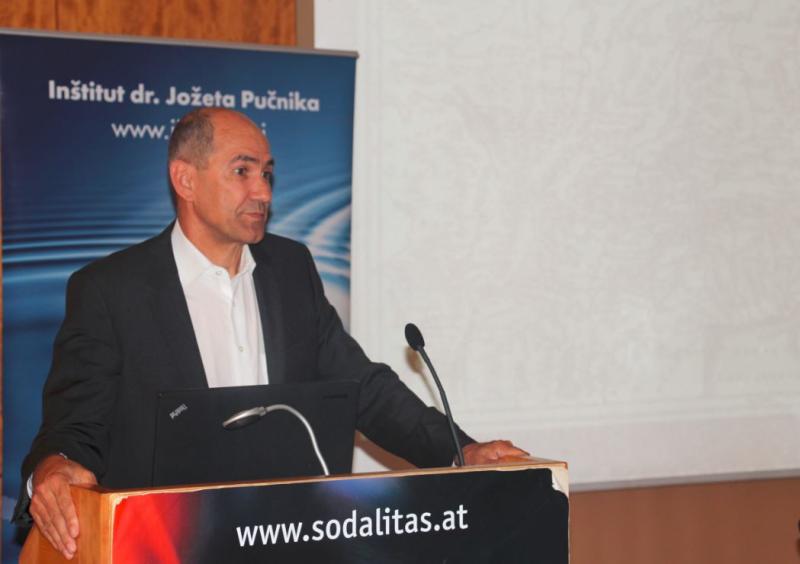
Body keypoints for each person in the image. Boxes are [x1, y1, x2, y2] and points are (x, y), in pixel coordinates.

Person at [14, 108, 527, 560]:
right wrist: (54, 468)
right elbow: (74, 427)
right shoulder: (111, 290)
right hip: (163, 545)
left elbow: (362, 388)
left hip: (284, 539)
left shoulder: (290, 269)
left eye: (267, 173)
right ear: (185, 179)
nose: (262, 192)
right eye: (242, 171)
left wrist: (458, 451)